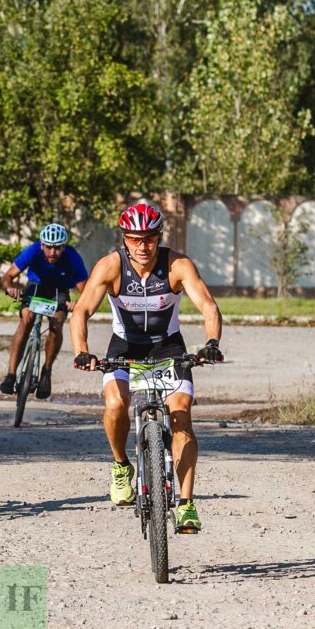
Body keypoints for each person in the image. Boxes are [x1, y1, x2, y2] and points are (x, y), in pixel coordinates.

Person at [69, 202, 223, 532]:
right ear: (124, 238)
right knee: (116, 404)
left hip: (168, 347)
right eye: (135, 239)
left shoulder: (177, 265)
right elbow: (81, 311)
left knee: (181, 414)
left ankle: (186, 504)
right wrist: (82, 351)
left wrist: (211, 343)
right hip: (124, 347)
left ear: (159, 237)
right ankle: (121, 465)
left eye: (150, 239)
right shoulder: (110, 266)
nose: (143, 246)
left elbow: (209, 306)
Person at [0, 223, 89, 399]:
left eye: (57, 248)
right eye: (48, 247)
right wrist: (11, 288)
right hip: (36, 287)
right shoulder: (33, 251)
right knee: (27, 319)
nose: (52, 252)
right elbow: (7, 277)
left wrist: (78, 302)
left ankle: (46, 371)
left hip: (59, 291)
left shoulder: (72, 257)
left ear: (64, 246)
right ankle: (10, 374)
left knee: (56, 323)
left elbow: (86, 290)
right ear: (42, 245)